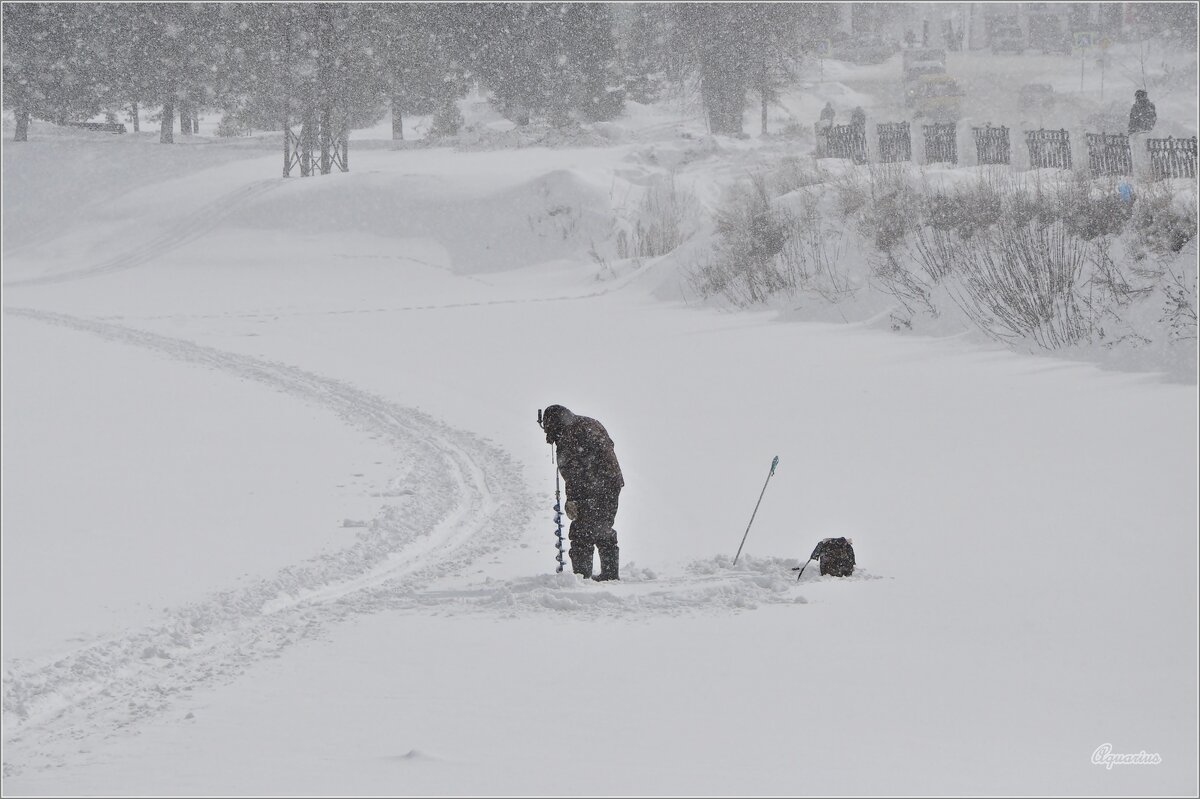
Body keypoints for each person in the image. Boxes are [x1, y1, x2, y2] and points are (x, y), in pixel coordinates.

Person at [539, 404, 624, 581]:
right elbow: (608, 447)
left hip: (593, 487)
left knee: (581, 533)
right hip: (611, 483)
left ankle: (581, 578)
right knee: (602, 529)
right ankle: (610, 574)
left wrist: (573, 500)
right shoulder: (589, 423)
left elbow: (574, 472)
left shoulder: (569, 434)